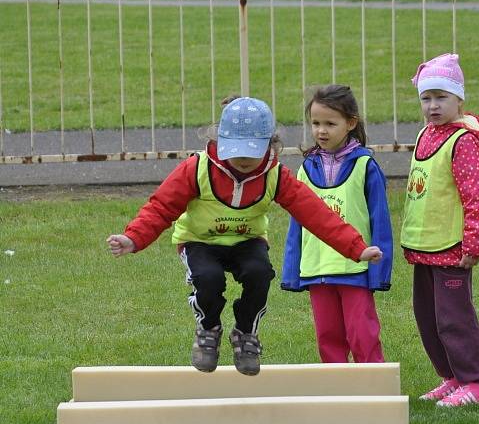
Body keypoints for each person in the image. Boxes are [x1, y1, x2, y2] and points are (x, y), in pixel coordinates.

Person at [107, 96, 382, 376]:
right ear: (219, 140)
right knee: (209, 279)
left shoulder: (275, 175)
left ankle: (246, 333)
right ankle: (208, 328)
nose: (243, 159)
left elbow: (317, 215)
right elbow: (161, 207)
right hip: (200, 241)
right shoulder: (197, 168)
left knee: (259, 273)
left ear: (270, 144)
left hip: (247, 242)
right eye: (235, 150)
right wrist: (134, 238)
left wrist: (356, 248)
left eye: (252, 151)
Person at [401, 53, 479, 406]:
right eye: (426, 98)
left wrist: (475, 243)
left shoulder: (463, 142)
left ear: (460, 98)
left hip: (452, 250)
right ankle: (451, 377)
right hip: (424, 247)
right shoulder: (426, 134)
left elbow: (477, 197)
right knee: (427, 318)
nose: (433, 106)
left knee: (453, 319)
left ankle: (473, 383)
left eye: (441, 97)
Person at [281, 84, 392, 363]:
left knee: (362, 333)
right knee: (327, 336)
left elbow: (380, 220)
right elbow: (297, 224)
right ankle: (338, 390)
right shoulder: (306, 168)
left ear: (350, 123)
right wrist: (292, 270)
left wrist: (380, 271)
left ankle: (374, 388)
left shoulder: (365, 166)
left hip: (355, 267)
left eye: (330, 123)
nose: (321, 131)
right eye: (316, 123)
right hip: (318, 268)